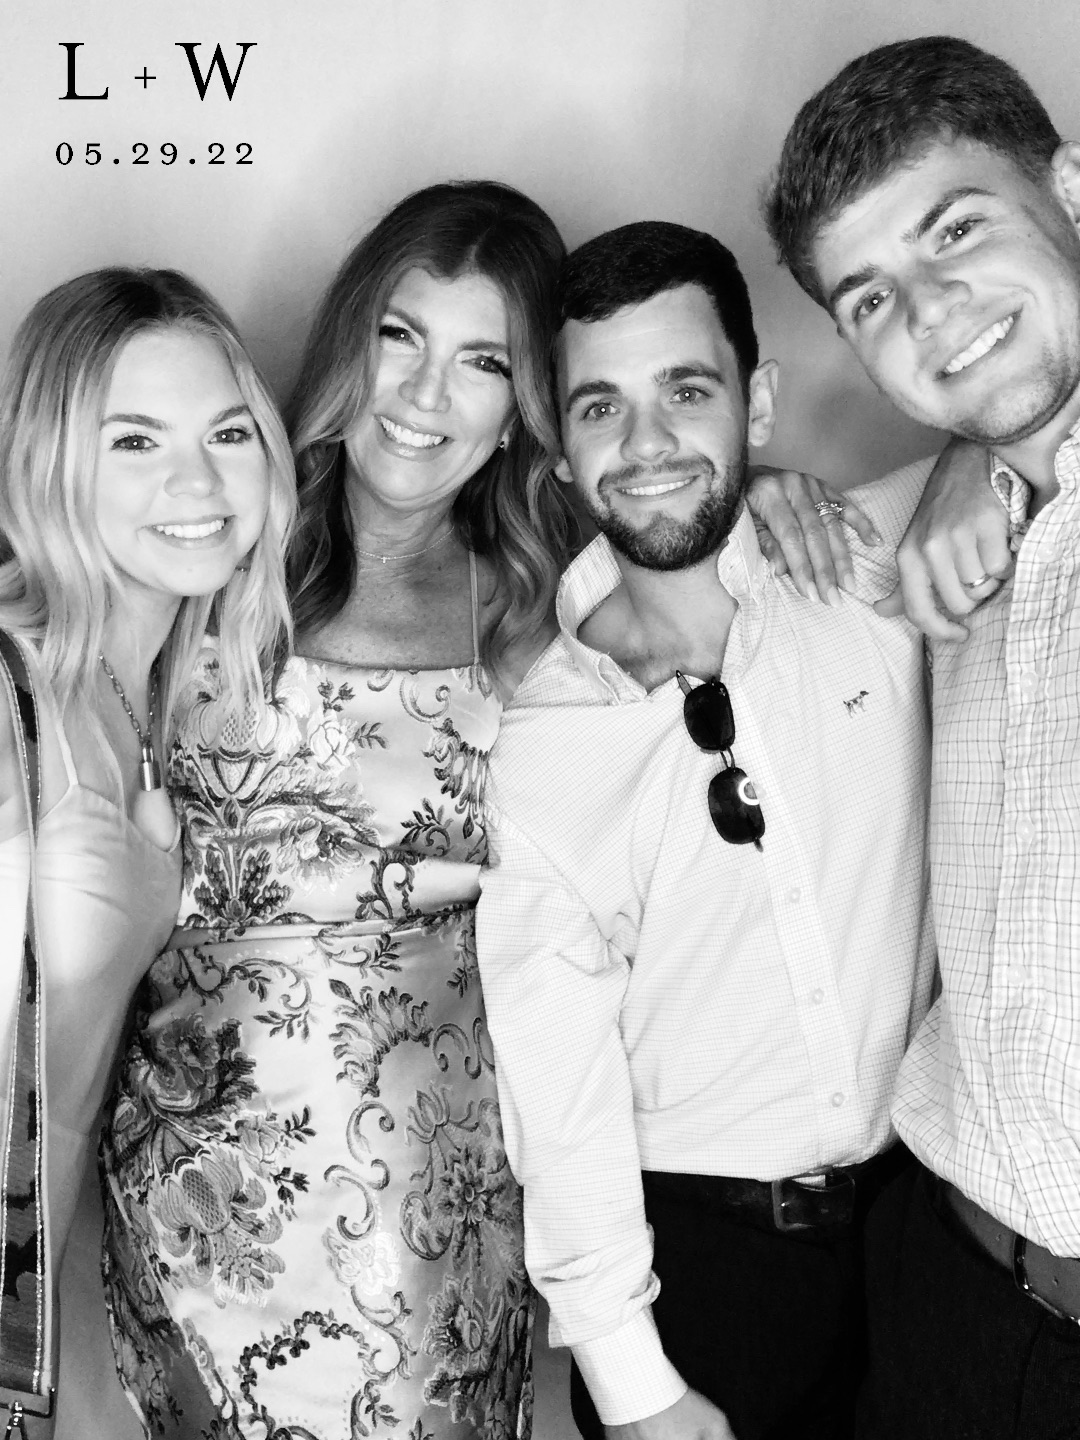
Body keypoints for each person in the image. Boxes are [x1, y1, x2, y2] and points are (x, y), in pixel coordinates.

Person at [99, 180, 572, 1440]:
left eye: (483, 361)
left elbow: (718, 513)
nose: (423, 397)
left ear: (524, 404)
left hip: (430, 1188)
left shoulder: (544, 606)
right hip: (196, 1185)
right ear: (351, 334)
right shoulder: (210, 540)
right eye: (401, 336)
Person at [474, 220, 937, 1440]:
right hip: (706, 1277)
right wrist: (636, 1389)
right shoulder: (540, 745)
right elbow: (558, 1101)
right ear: (561, 450)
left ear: (758, 402)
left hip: (928, 1243)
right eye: (599, 410)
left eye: (688, 391)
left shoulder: (871, 566)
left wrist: (980, 479)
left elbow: (1033, 428)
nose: (647, 446)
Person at [764, 35, 1080, 1438]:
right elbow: (675, 556)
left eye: (959, 229)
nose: (935, 311)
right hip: (949, 1291)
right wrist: (975, 460)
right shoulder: (954, 523)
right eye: (873, 295)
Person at [0, 267, 294, 1439]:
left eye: (229, 432)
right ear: (51, 463)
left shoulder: (159, 697)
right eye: (134, 441)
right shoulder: (8, 692)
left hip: (53, 1308)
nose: (197, 482)